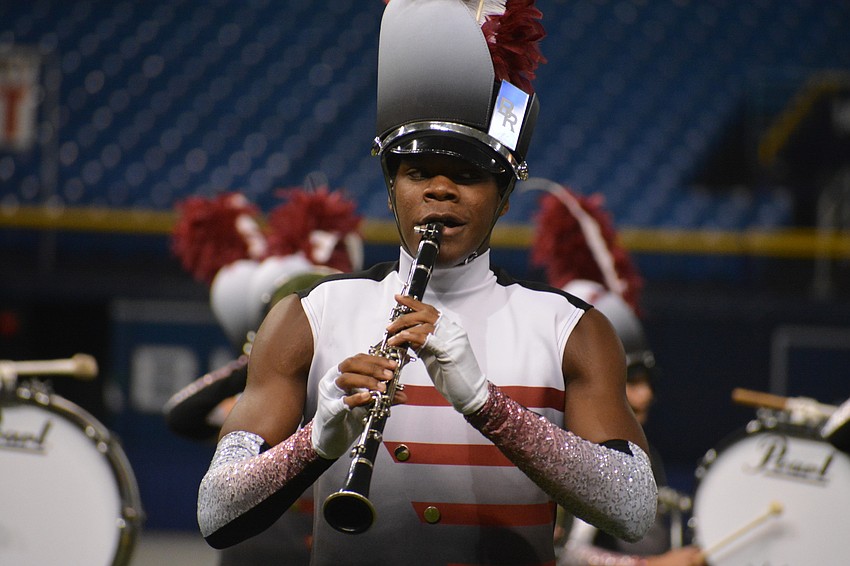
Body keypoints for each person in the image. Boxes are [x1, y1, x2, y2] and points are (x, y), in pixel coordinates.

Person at [197, 1, 657, 564]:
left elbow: (634, 507)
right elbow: (216, 511)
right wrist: (316, 441)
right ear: (392, 188)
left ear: (505, 196)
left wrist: (488, 406)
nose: (441, 191)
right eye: (417, 173)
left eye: (468, 176)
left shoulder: (569, 329)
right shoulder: (310, 315)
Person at [167, 185, 362, 565]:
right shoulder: (259, 401)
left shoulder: (348, 394)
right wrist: (260, 357)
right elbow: (181, 414)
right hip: (255, 550)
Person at [526, 180, 705, 566]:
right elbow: (554, 555)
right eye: (627, 383)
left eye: (645, 382)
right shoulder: (536, 447)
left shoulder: (641, 453)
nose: (644, 397)